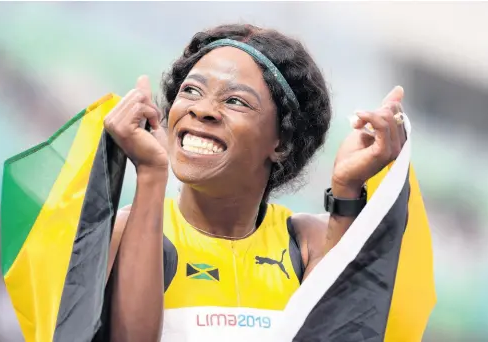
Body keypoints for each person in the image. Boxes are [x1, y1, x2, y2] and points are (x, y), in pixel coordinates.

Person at [103, 24, 406, 342]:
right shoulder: (125, 231)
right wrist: (151, 174)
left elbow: (338, 333)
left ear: (282, 142)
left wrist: (348, 186)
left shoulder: (307, 243)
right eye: (191, 90)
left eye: (235, 101)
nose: (201, 109)